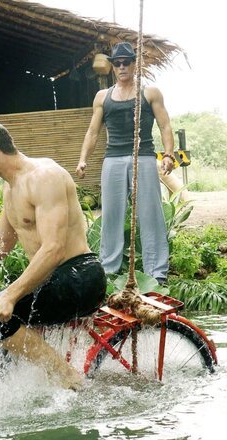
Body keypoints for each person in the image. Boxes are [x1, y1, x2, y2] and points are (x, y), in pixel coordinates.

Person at [0, 121, 106, 390]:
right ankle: (9, 397)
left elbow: (54, 248)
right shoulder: (10, 187)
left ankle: (69, 378)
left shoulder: (44, 176)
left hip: (80, 276)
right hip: (50, 279)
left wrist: (10, 296)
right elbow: (2, 243)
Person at [76, 42, 176, 285]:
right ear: (112, 67)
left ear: (134, 64)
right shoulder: (103, 97)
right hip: (113, 159)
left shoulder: (150, 93)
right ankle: (109, 272)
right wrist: (82, 160)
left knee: (150, 213)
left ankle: (157, 274)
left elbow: (165, 125)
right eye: (117, 63)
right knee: (111, 214)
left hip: (142, 156)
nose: (121, 67)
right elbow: (92, 131)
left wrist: (169, 155)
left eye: (126, 62)